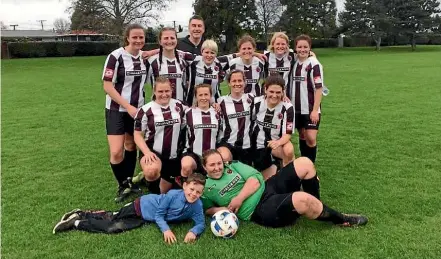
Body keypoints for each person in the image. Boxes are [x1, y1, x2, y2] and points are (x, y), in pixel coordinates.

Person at [200, 149, 368, 228]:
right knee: (300, 199)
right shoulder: (206, 188)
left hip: (267, 187)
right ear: (204, 167)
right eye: (212, 165)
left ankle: (316, 206)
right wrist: (224, 210)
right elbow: (208, 209)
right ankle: (343, 219)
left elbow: (257, 179)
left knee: (304, 163)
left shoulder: (233, 165)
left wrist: (238, 199)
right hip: (260, 210)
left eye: (219, 163)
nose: (217, 168)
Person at [53, 173, 206, 244]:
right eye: (191, 189)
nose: (193, 194)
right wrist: (166, 230)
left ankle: (75, 223)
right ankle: (81, 213)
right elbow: (160, 215)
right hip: (141, 205)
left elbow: (200, 223)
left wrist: (193, 232)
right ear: (185, 185)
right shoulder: (172, 195)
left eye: (198, 192)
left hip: (145, 218)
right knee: (112, 217)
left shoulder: (197, 205)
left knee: (114, 228)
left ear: (202, 193)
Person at [102, 23, 147, 203]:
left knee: (131, 145)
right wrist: (127, 106)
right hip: (116, 110)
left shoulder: (144, 57)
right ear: (127, 37)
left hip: (137, 110)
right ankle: (122, 184)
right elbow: (107, 86)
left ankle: (129, 181)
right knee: (116, 152)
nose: (138, 40)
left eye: (141, 37)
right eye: (134, 37)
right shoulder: (115, 56)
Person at [133, 77, 187, 194]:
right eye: (160, 91)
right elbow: (137, 135)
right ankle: (153, 194)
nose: (164, 94)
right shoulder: (145, 110)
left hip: (175, 155)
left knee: (170, 190)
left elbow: (195, 113)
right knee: (152, 171)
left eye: (167, 91)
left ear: (171, 90)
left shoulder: (179, 106)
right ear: (154, 91)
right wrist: (147, 152)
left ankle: (164, 180)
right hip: (153, 152)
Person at [288, 34, 324, 163]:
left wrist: (315, 110)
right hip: (296, 109)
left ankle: (311, 167)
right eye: (300, 47)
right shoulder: (294, 61)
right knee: (302, 135)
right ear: (295, 48)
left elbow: (319, 88)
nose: (302, 49)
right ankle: (304, 164)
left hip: (310, 109)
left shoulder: (314, 64)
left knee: (311, 137)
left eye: (305, 47)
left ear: (310, 48)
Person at [251, 75, 295, 180]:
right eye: (271, 92)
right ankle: (279, 167)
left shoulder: (287, 107)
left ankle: (291, 177)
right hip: (259, 145)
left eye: (278, 92)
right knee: (266, 181)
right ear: (265, 89)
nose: (274, 95)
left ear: (283, 92)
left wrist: (278, 142)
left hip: (276, 143)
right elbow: (250, 120)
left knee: (289, 150)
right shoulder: (256, 102)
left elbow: (287, 134)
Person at [181, 84, 221, 178]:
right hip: (193, 153)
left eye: (206, 94)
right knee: (186, 166)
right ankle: (185, 186)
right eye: (200, 95)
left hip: (212, 154)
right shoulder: (188, 113)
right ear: (196, 96)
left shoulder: (218, 112)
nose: (203, 98)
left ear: (211, 96)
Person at [216, 70, 255, 166]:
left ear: (244, 82)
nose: (237, 84)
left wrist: (283, 95)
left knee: (244, 175)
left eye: (240, 81)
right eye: (234, 81)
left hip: (247, 145)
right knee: (226, 162)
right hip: (228, 144)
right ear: (229, 83)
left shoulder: (252, 98)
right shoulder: (221, 101)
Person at [147, 27, 194, 103]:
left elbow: (205, 58)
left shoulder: (185, 58)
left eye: (172, 38)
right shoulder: (151, 61)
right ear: (160, 41)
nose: (169, 41)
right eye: (166, 38)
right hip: (159, 108)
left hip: (181, 107)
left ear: (176, 40)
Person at [185, 39, 234, 105]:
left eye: (212, 53)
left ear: (216, 54)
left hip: (213, 104)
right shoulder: (194, 60)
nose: (209, 55)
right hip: (193, 104)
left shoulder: (219, 62)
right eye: (207, 52)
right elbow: (178, 53)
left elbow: (234, 56)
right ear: (202, 52)